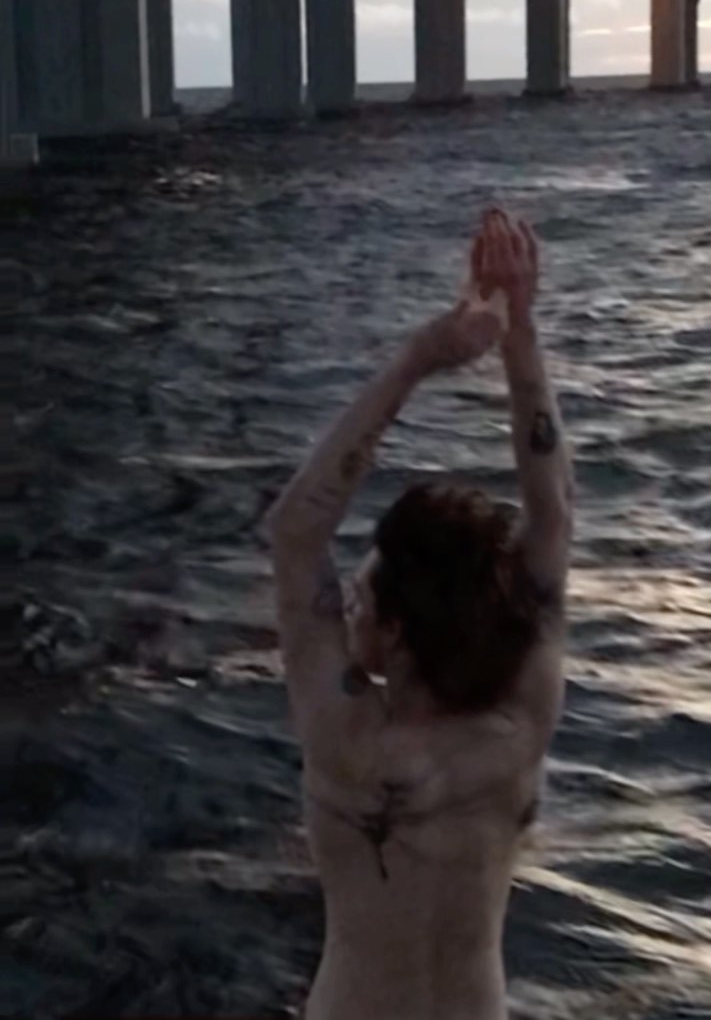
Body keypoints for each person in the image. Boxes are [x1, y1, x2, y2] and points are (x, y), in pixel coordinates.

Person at [264, 209, 573, 1020]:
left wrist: (418, 360)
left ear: (395, 628)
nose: (352, 599)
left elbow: (296, 531)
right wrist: (520, 330)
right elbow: (554, 513)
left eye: (365, 588)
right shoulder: (519, 726)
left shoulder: (347, 740)